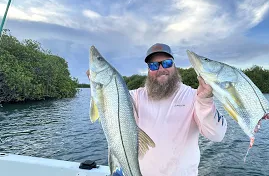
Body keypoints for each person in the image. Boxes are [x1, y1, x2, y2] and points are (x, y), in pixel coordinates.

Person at [87, 43, 227, 176]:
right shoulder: (135, 97)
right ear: (148, 70)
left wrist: (205, 101)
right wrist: (99, 85)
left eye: (166, 63)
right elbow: (110, 102)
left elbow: (217, 135)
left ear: (174, 65)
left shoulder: (194, 96)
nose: (160, 69)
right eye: (153, 66)